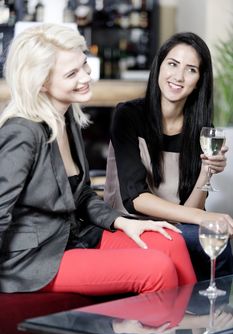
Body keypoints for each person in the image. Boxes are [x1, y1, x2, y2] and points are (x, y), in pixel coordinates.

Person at [0, 24, 197, 294]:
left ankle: (195, 330)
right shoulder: (21, 132)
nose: (86, 77)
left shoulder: (66, 117)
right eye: (72, 73)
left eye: (84, 65)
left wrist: (123, 222)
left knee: (170, 241)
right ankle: (174, 332)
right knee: (156, 267)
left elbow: (80, 197)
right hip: (35, 258)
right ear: (42, 83)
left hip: (72, 237)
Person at [104, 32, 233, 281]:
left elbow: (189, 210)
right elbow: (135, 199)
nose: (178, 76)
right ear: (159, 66)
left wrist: (207, 170)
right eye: (172, 64)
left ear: (199, 81)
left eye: (191, 69)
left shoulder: (201, 129)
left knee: (215, 241)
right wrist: (206, 218)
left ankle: (215, 315)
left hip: (176, 229)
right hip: (130, 225)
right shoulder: (128, 115)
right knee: (213, 239)